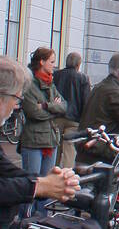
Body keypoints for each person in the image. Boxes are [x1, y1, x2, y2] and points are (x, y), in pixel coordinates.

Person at [0, 57, 80, 208]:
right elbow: (34, 112)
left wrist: (47, 182)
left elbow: (4, 167)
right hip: (35, 139)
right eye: (17, 98)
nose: (16, 105)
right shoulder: (36, 87)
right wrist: (39, 186)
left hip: (47, 137)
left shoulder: (52, 83)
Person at [19, 47, 67, 176]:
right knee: (32, 183)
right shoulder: (29, 84)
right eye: (51, 62)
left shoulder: (51, 84)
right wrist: (54, 108)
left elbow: (64, 106)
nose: (54, 65)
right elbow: (34, 112)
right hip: (33, 141)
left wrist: (45, 106)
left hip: (51, 140)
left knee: (48, 185)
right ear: (42, 62)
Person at [53, 52, 91, 169]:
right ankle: (67, 176)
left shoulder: (56, 75)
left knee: (55, 148)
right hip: (74, 119)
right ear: (79, 64)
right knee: (70, 150)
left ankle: (54, 173)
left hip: (57, 116)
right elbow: (86, 101)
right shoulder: (83, 78)